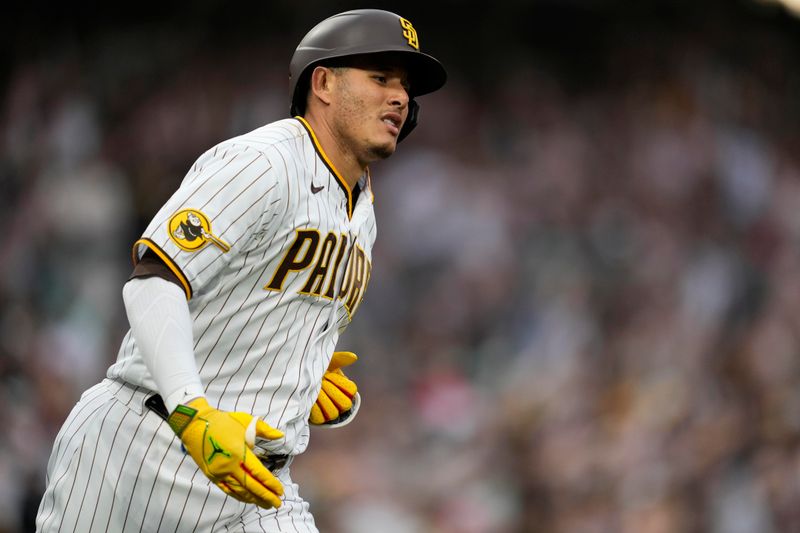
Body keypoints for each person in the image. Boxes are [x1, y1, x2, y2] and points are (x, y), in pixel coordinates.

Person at [35, 8, 446, 532]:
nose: (400, 98)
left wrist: (298, 373)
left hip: (254, 482)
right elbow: (154, 281)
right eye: (381, 77)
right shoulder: (263, 162)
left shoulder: (362, 210)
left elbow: (260, 303)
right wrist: (193, 414)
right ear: (323, 83)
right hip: (141, 450)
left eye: (406, 87)